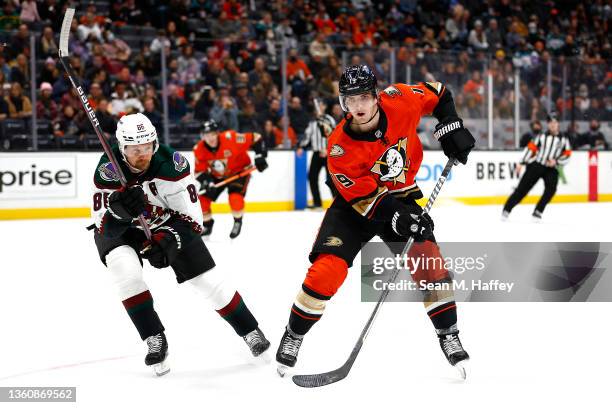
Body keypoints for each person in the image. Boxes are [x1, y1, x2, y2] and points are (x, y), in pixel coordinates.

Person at [275, 65, 475, 376]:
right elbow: (368, 201)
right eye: (350, 100)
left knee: (430, 266)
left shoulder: (402, 100)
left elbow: (439, 93)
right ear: (342, 103)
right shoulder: (339, 147)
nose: (358, 107)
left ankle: (448, 335)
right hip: (355, 208)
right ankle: (294, 334)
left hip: (402, 197)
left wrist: (450, 126)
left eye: (364, 98)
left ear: (377, 97)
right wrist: (399, 216)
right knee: (326, 271)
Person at [91, 113, 270, 376]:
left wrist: (167, 240)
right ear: (122, 148)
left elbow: (192, 221)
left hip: (168, 224)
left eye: (148, 146)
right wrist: (119, 211)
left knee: (209, 282)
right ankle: (153, 337)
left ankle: (250, 330)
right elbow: (102, 226)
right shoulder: (107, 170)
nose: (143, 154)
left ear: (155, 142)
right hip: (125, 230)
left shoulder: (172, 166)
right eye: (135, 149)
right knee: (126, 273)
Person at [192, 119, 268, 239]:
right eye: (207, 135)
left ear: (217, 133)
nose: (210, 138)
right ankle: (208, 224)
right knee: (202, 201)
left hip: (239, 172)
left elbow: (256, 137)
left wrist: (260, 155)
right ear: (202, 136)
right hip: (217, 175)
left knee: (235, 199)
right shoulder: (198, 149)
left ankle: (237, 221)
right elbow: (199, 171)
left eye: (212, 134)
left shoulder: (231, 138)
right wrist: (208, 181)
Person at [502, 112, 572, 220]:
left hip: (552, 168)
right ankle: (507, 209)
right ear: (548, 124)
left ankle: (538, 211)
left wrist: (556, 162)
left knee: (551, 189)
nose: (553, 125)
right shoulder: (542, 136)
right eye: (550, 123)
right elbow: (530, 149)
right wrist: (521, 162)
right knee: (522, 189)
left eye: (554, 122)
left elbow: (567, 155)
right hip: (537, 165)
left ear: (558, 124)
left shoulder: (564, 139)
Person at [297, 98, 337, 209]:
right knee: (312, 177)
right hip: (316, 153)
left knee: (331, 179)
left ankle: (336, 201)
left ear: (324, 107)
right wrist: (301, 147)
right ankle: (317, 202)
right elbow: (307, 136)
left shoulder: (329, 119)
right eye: (317, 106)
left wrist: (327, 149)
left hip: (328, 154)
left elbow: (334, 135)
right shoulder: (313, 122)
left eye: (320, 105)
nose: (318, 108)